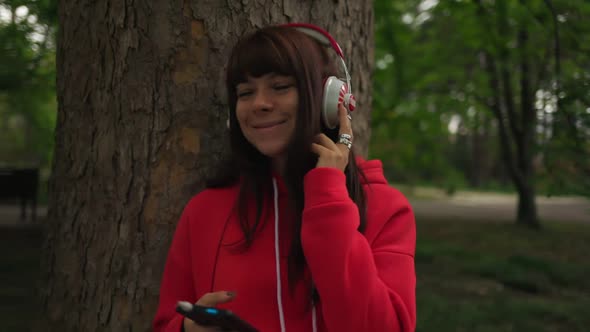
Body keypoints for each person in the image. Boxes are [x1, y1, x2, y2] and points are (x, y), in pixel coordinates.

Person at [153, 23, 416, 332]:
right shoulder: (204, 212)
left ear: (329, 100)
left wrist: (327, 200)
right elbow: (165, 324)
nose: (260, 104)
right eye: (246, 93)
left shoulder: (384, 207)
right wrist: (185, 329)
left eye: (280, 87)